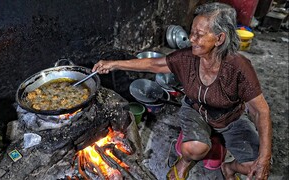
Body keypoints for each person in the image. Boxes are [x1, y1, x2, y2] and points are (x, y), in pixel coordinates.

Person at [92, 2, 272, 180]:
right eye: (192, 32)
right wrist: (113, 64)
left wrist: (264, 158)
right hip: (195, 110)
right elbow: (154, 64)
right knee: (195, 147)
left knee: (256, 167)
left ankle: (229, 168)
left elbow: (260, 111)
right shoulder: (188, 57)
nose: (191, 38)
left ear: (219, 39)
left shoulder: (239, 68)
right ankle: (183, 163)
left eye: (199, 34)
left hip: (230, 118)